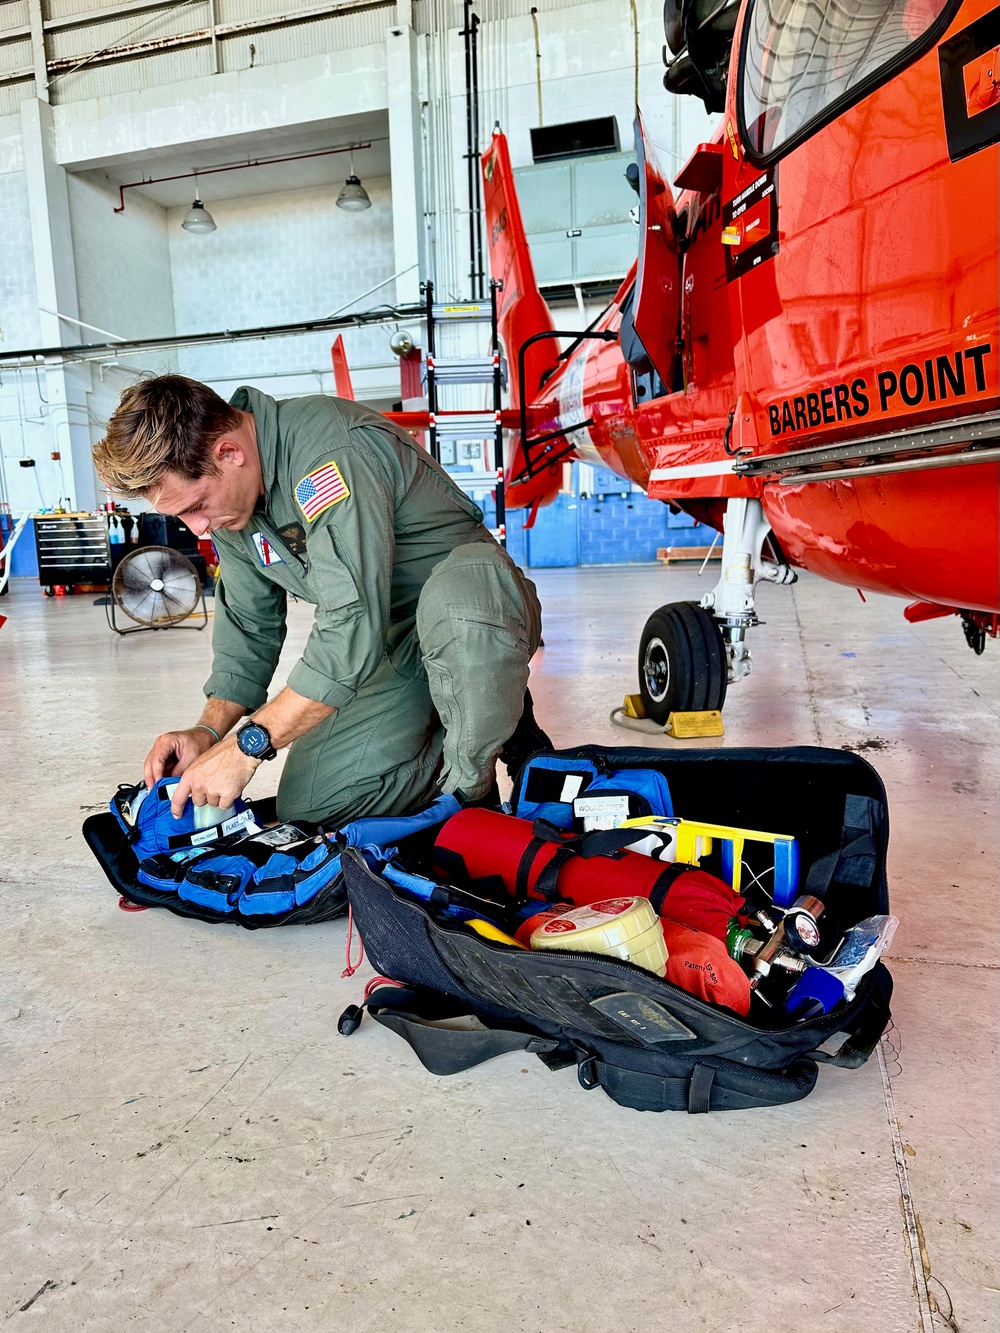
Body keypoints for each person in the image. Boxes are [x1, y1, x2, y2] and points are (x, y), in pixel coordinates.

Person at [93, 374, 548, 827]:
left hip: (473, 615)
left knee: (458, 607)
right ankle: (465, 720)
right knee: (314, 806)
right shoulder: (234, 508)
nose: (197, 528)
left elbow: (351, 621)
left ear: (229, 453)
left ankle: (473, 795)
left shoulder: (325, 458)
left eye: (196, 506)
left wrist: (246, 747)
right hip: (391, 641)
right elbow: (250, 627)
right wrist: (209, 732)